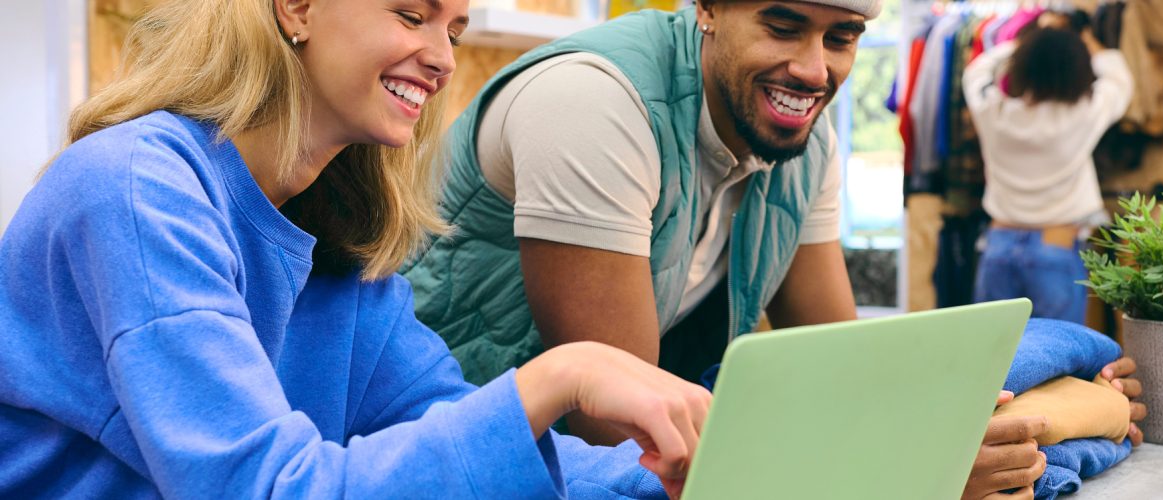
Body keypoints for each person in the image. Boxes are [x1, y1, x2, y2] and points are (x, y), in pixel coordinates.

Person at [401, 1, 1144, 497]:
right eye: (784, 25)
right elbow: (617, 426)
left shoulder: (803, 136)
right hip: (478, 450)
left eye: (842, 37)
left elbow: (840, 359)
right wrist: (914, 465)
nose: (815, 70)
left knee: (1019, 366)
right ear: (710, 7)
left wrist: (936, 431)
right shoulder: (593, 102)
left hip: (645, 438)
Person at [0, 0, 711, 497]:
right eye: (411, 14)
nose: (440, 59)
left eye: (454, 31)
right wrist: (562, 375)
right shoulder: (133, 189)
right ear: (297, 7)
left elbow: (454, 437)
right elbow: (267, 489)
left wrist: (682, 475)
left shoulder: (337, 243)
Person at [963, 23, 1134, 324]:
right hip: (1056, 245)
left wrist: (1018, 45)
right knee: (1057, 356)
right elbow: (1119, 79)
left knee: (993, 357)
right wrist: (1090, 44)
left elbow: (975, 72)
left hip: (999, 243)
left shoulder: (995, 111)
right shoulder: (1084, 112)